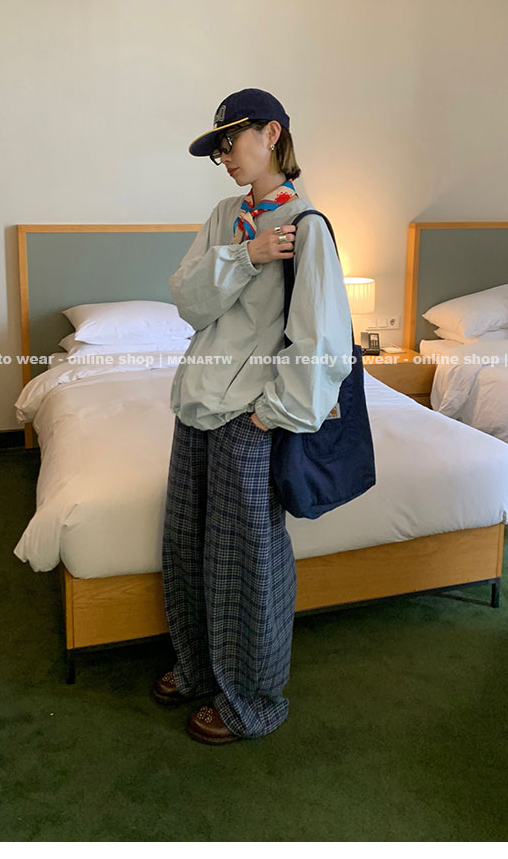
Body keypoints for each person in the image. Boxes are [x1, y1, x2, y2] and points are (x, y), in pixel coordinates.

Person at [155, 88, 353, 744]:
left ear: (271, 134)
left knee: (246, 562)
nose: (224, 157)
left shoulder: (308, 224)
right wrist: (248, 255)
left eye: (231, 142)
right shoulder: (225, 217)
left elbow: (323, 341)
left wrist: (273, 415)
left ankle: (251, 700)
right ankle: (198, 668)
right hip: (196, 404)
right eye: (218, 148)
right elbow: (188, 300)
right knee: (187, 545)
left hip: (249, 415)